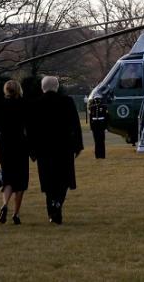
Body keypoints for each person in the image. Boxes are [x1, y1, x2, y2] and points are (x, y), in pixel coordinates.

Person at [28, 76, 83, 225]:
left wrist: (32, 150)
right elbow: (75, 125)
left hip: (44, 150)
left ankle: (52, 212)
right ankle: (58, 203)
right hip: (64, 148)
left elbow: (31, 130)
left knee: (48, 182)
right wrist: (78, 146)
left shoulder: (35, 104)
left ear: (42, 87)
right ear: (57, 86)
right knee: (64, 180)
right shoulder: (67, 102)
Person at [0, 80, 30, 225]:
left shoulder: (0, 105)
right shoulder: (24, 104)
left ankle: (5, 205)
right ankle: (16, 214)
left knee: (8, 178)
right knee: (21, 181)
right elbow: (29, 129)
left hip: (4, 144)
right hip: (20, 143)